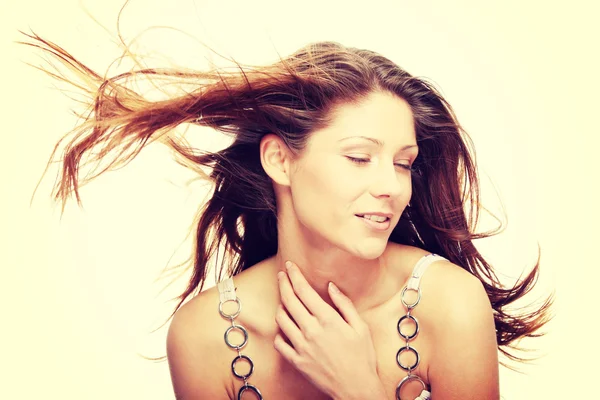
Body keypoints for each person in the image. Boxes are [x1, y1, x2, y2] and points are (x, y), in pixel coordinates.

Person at [25, 33, 551, 400]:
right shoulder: (206, 335)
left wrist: (361, 389)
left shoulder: (450, 303)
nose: (390, 187)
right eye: (358, 157)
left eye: (403, 163)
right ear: (281, 159)